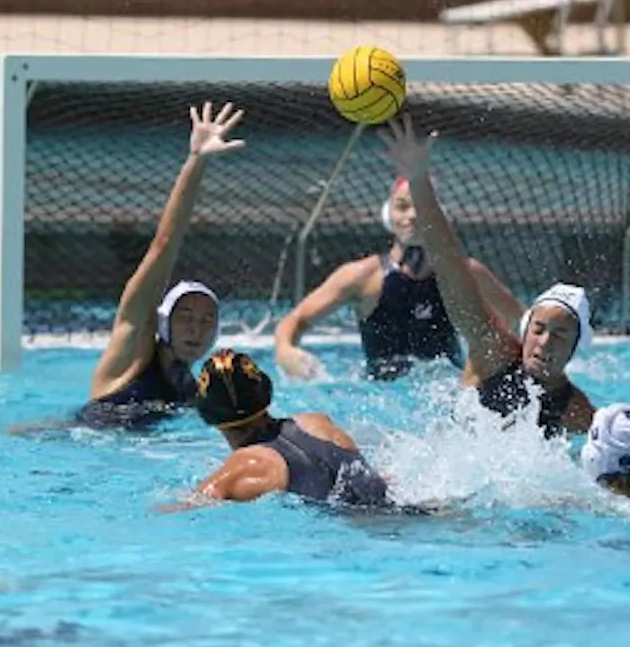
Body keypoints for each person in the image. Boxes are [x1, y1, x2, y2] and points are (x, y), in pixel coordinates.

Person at [375, 115, 595, 437]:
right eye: (539, 328)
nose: (544, 342)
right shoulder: (492, 351)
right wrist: (418, 179)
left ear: (577, 344)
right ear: (526, 328)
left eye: (560, 334)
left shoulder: (574, 409)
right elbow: (449, 261)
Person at [74, 101, 245, 430]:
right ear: (163, 322)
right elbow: (164, 244)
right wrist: (197, 161)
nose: (196, 328)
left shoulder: (193, 392)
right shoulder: (132, 350)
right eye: (186, 316)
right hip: (67, 451)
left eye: (208, 319)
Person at [274, 176, 524, 381]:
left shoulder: (467, 273)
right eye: (403, 206)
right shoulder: (362, 276)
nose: (413, 216)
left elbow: (522, 323)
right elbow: (296, 320)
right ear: (388, 215)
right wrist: (286, 351)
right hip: (380, 393)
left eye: (422, 208)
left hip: (447, 392)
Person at [183, 348, 393, 508]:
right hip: (399, 511)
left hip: (358, 534)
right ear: (266, 392)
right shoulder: (319, 423)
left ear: (207, 414)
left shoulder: (246, 464)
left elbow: (187, 507)